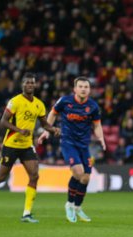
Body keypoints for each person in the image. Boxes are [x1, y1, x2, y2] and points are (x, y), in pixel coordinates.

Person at [0, 72, 60, 223]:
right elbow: (3, 122)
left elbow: (44, 123)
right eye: (27, 83)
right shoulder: (15, 101)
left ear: (35, 85)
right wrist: (19, 130)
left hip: (26, 146)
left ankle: (26, 213)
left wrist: (53, 129)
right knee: (1, 177)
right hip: (11, 144)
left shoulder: (39, 104)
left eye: (32, 82)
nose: (29, 85)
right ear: (22, 85)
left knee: (34, 175)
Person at [38, 76, 105, 223]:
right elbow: (53, 113)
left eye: (86, 87)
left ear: (89, 90)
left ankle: (77, 207)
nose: (83, 89)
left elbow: (97, 125)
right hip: (68, 142)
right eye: (80, 86)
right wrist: (46, 131)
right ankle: (69, 204)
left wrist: (101, 138)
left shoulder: (93, 106)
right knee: (78, 172)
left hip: (83, 145)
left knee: (86, 177)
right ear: (75, 89)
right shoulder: (64, 101)